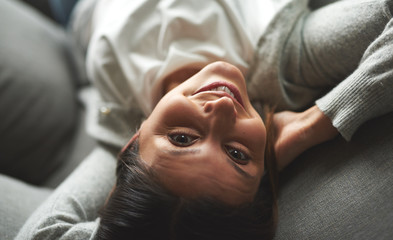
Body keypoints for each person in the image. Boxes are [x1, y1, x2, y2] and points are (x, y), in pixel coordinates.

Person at [8, 0, 393, 239]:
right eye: (239, 153)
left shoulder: (120, 129)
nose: (223, 111)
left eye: (181, 139)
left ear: (134, 142)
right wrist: (319, 121)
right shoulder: (286, 59)